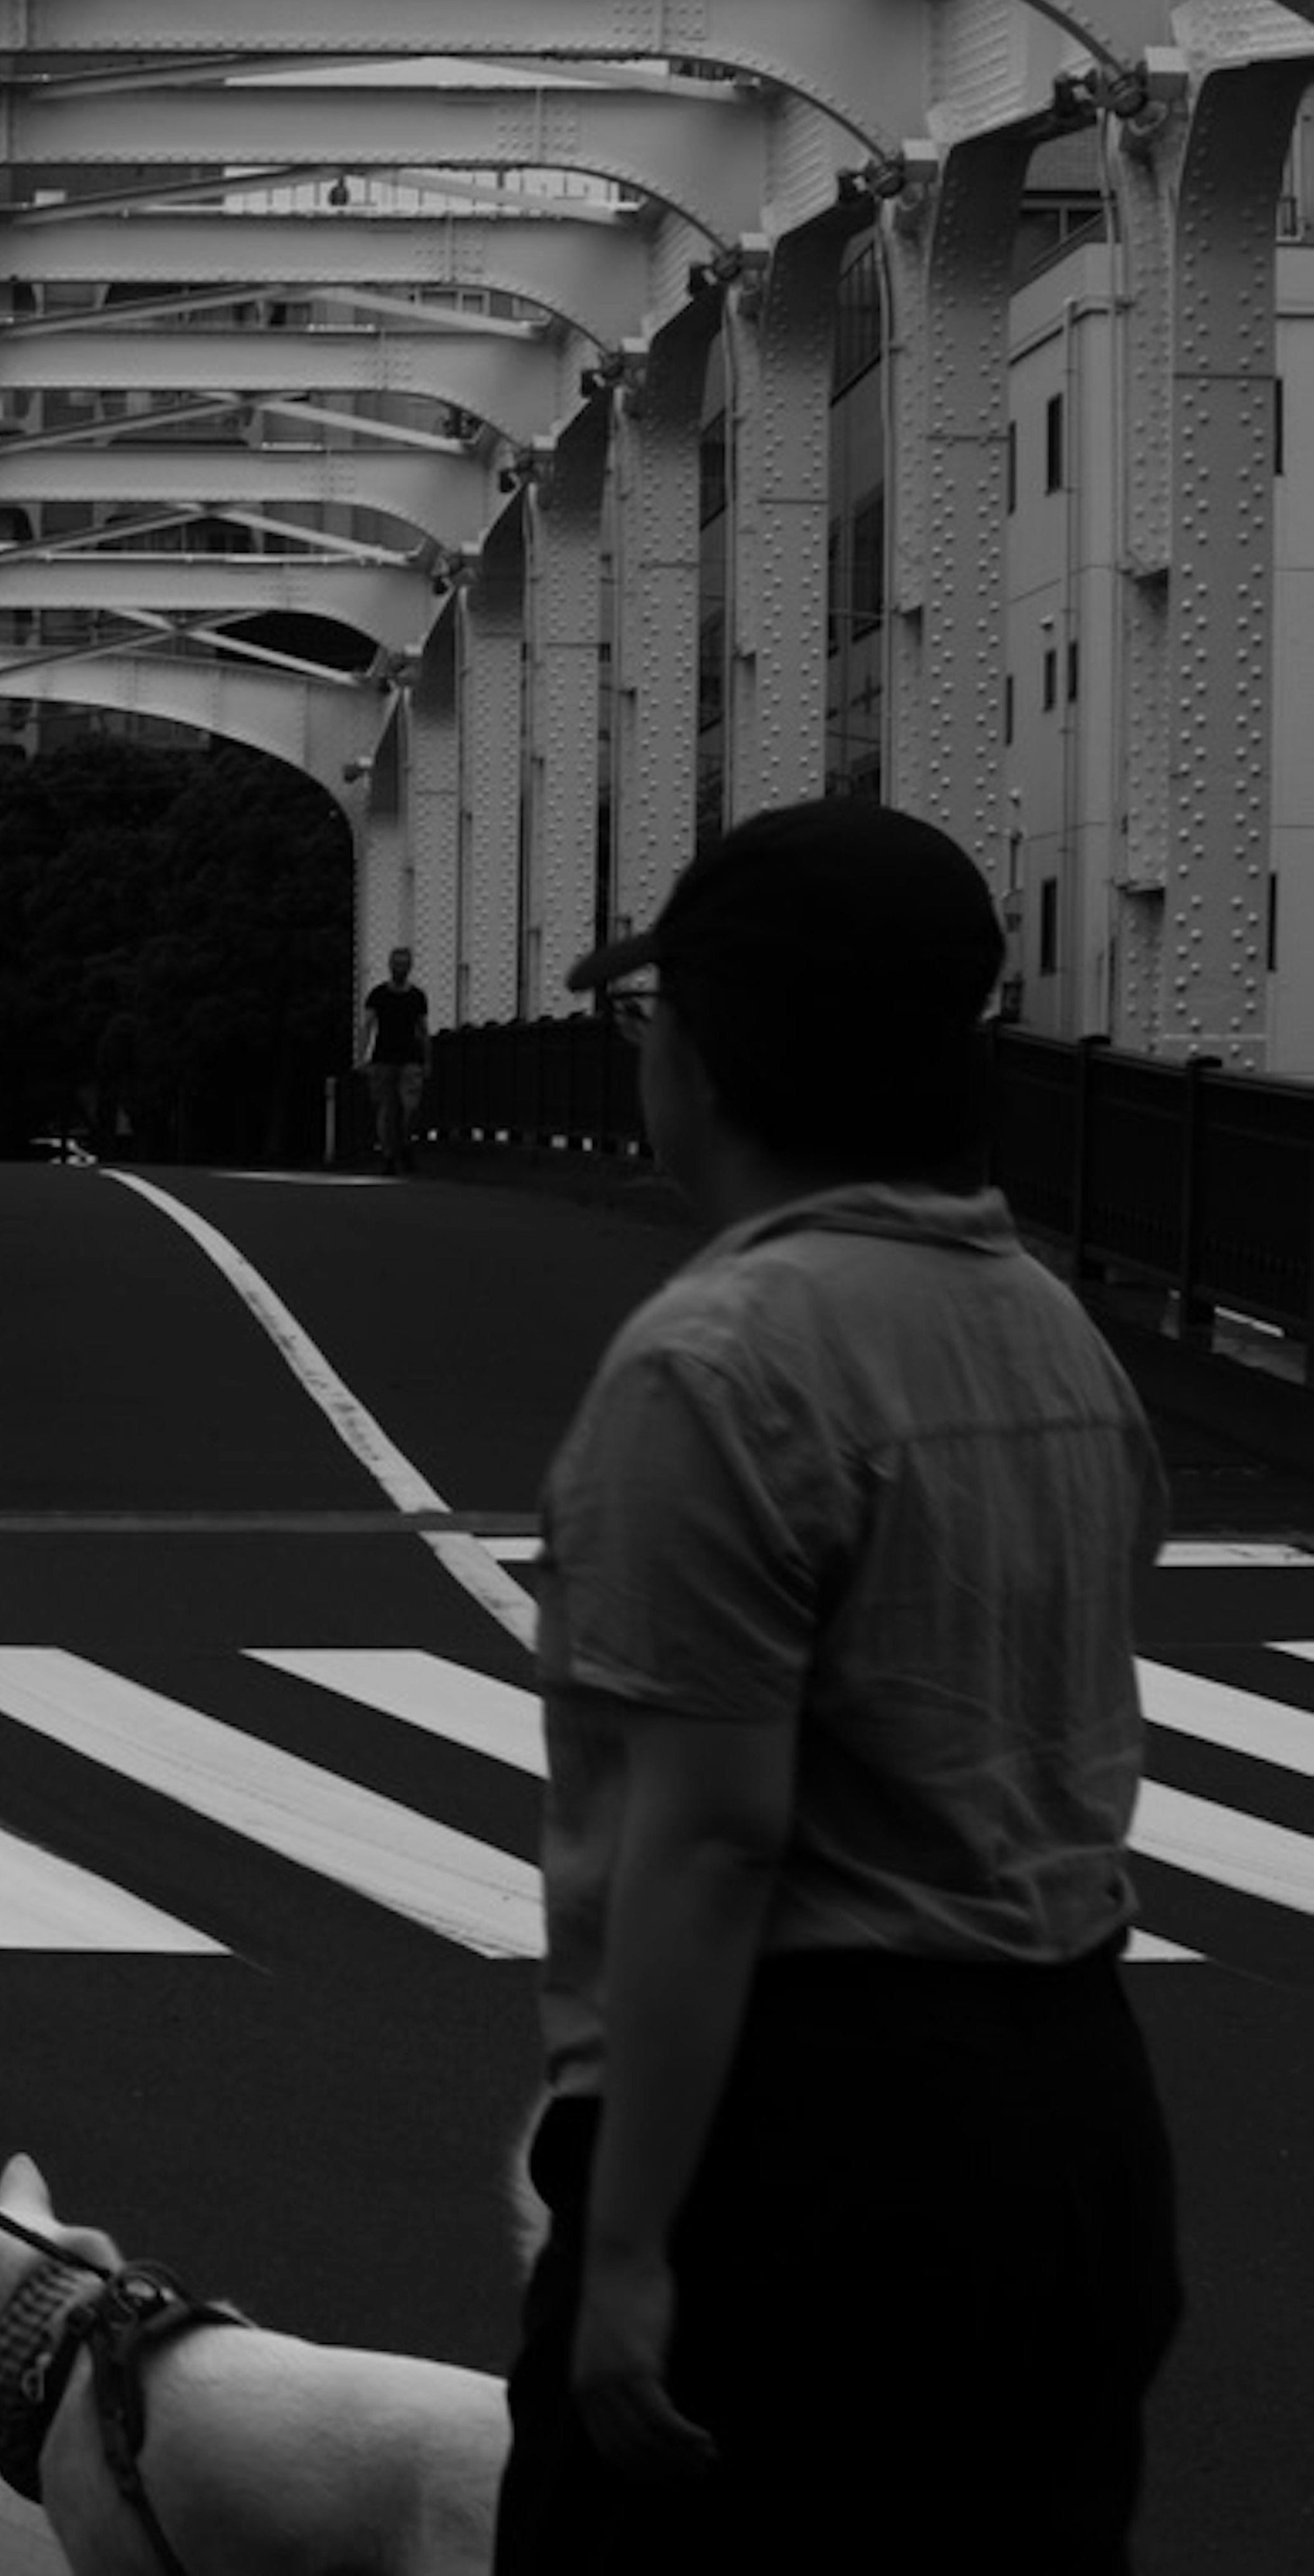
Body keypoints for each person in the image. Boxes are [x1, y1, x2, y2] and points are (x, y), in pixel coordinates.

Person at [493, 797, 1180, 2575]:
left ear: (708, 1051)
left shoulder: (718, 1365)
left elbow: (712, 1844)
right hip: (1078, 2123)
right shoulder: (1052, 1329)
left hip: (804, 2149)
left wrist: (632, 2247)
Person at [359, 943, 430, 1170]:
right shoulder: (378, 995)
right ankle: (388, 1154)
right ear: (390, 966)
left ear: (410, 968)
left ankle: (406, 1143)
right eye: (397, 965)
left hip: (411, 1057)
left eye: (404, 965)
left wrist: (428, 1059)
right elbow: (368, 1025)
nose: (400, 969)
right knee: (385, 1109)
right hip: (383, 1058)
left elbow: (423, 1030)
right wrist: (362, 1055)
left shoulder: (417, 997)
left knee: (411, 1107)